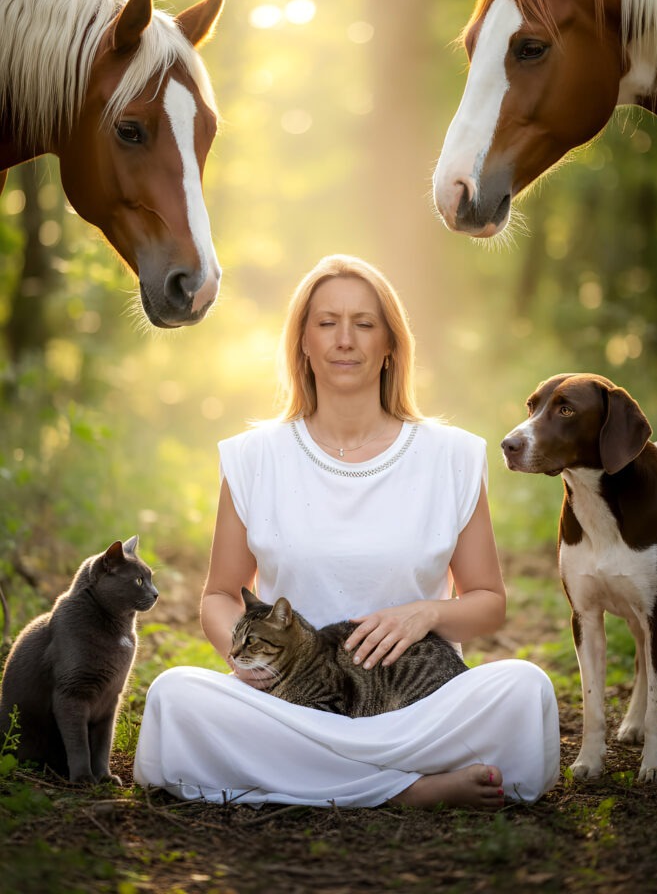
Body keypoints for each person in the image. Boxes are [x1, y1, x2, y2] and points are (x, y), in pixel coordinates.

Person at [134, 254, 560, 809]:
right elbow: (219, 594)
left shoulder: (450, 456)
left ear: (390, 346)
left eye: (364, 323)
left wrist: (425, 614)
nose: (344, 340)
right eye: (327, 322)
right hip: (290, 709)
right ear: (303, 343)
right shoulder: (254, 457)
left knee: (526, 688)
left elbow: (488, 602)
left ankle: (314, 780)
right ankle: (407, 789)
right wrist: (247, 665)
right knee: (175, 695)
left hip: (415, 712)